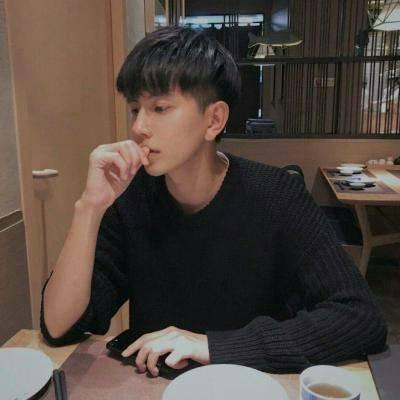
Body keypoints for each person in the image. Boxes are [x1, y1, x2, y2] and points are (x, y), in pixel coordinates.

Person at [41, 26, 387, 376]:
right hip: (156, 385)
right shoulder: (132, 198)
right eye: (134, 109)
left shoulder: (277, 196)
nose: (139, 127)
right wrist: (89, 207)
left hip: (251, 385)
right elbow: (58, 327)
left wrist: (214, 346)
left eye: (159, 107)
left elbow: (360, 317)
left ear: (214, 120)